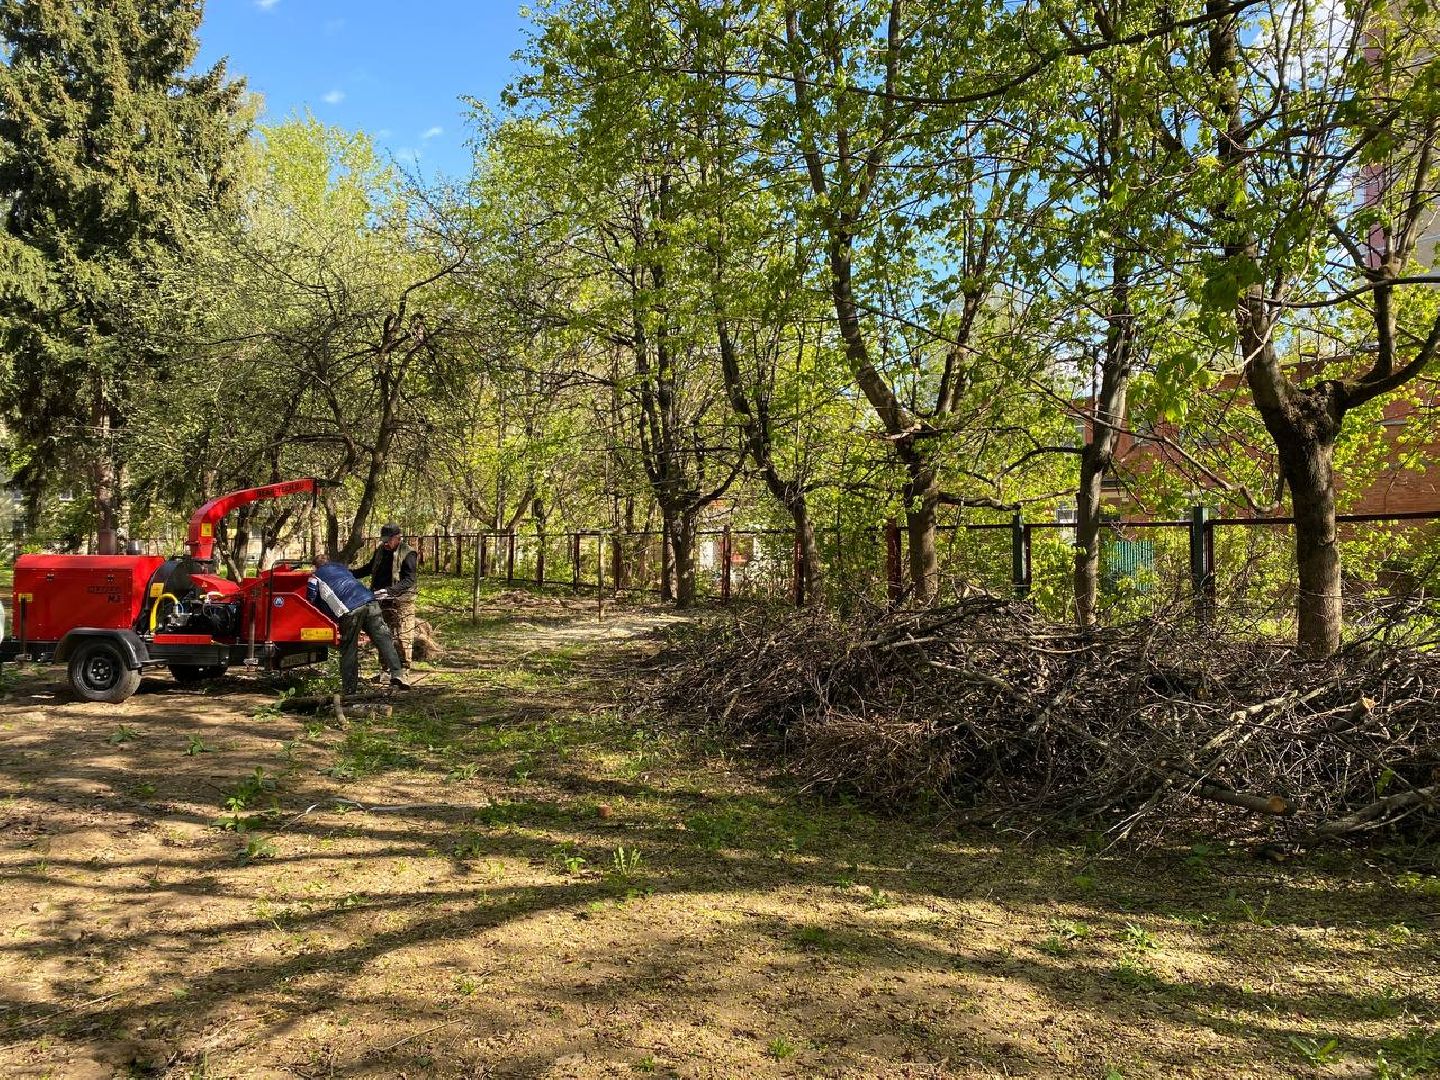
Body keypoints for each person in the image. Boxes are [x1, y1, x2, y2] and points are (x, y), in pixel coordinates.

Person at [307, 553, 410, 695]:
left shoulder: (315, 577)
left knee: (349, 648)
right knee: (384, 639)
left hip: (349, 610)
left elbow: (311, 599)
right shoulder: (342, 569)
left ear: (315, 566)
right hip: (370, 601)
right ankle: (398, 674)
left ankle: (349, 689)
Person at [352, 523, 419, 673]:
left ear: (398, 538)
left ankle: (403, 670)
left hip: (402, 600)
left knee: (403, 635)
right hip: (381, 599)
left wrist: (390, 591)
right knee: (382, 634)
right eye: (383, 540)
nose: (386, 543)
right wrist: (349, 573)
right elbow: (369, 568)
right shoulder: (381, 551)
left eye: (388, 540)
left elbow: (409, 580)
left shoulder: (408, 553)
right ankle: (385, 669)